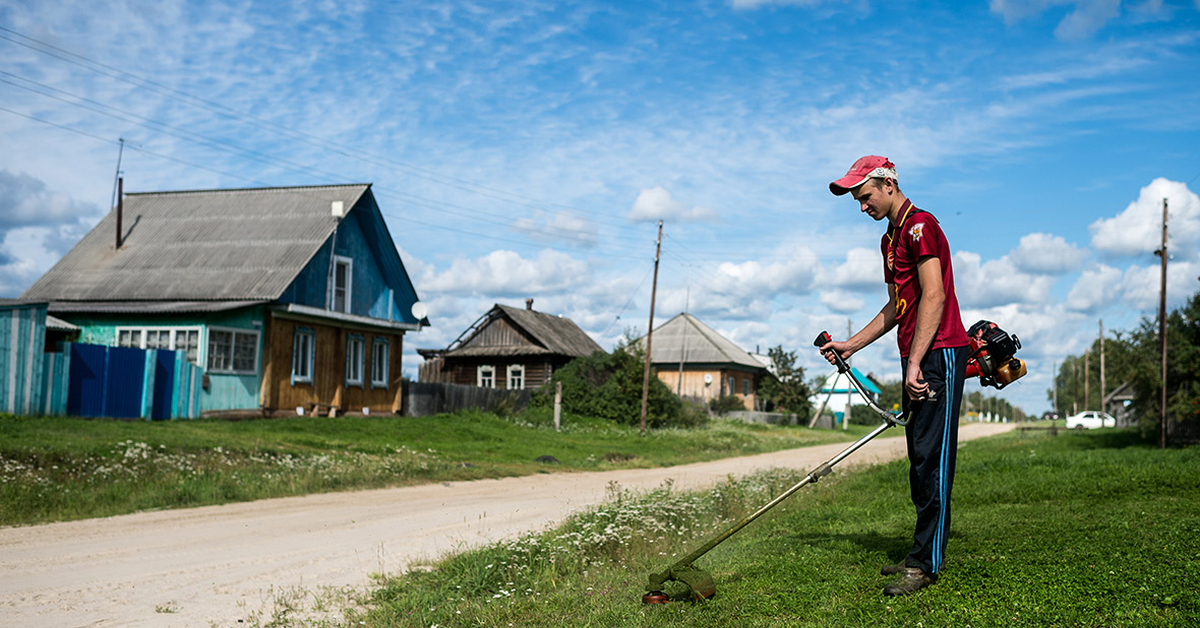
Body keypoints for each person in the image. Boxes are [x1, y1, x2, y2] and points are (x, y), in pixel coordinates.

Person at [820, 155, 969, 596]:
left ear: (887, 184)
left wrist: (916, 360)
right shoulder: (890, 239)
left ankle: (926, 563)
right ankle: (919, 552)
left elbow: (935, 296)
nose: (862, 207)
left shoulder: (922, 227)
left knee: (934, 461)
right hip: (921, 355)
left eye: (865, 197)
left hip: (938, 354)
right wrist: (851, 344)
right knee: (919, 461)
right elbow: (897, 307)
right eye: (857, 201)